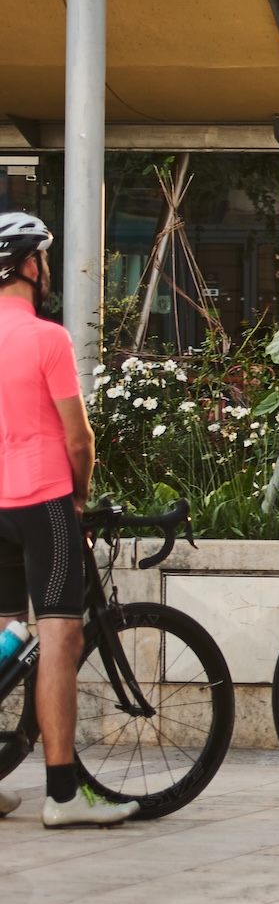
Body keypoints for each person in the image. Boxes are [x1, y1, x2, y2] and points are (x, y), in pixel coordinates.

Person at [0, 212, 113, 825]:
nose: (46, 267)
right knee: (60, 640)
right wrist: (78, 495)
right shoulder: (47, 338)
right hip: (42, 499)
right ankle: (64, 796)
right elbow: (78, 438)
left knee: (6, 634)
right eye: (41, 257)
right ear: (27, 265)